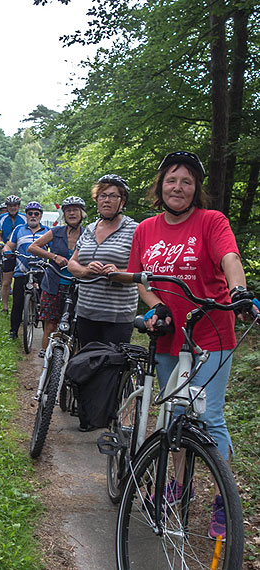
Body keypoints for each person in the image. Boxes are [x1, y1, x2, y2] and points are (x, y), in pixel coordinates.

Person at [127, 151, 254, 539]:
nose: (177, 187)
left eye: (186, 181)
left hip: (211, 333)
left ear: (196, 188)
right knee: (176, 415)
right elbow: (140, 280)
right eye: (171, 180)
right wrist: (157, 306)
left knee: (209, 416)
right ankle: (179, 485)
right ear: (160, 186)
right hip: (169, 336)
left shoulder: (211, 221)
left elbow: (229, 256)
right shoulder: (146, 229)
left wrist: (239, 291)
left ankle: (223, 500)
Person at [67, 174, 138, 345]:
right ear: (97, 200)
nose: (107, 200)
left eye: (113, 196)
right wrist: (85, 270)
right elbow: (72, 263)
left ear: (123, 201)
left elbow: (143, 272)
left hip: (117, 315)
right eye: (102, 196)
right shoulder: (90, 229)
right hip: (86, 311)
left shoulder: (135, 230)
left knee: (112, 366)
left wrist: (118, 272)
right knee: (87, 363)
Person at [28, 196, 86, 357]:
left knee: (74, 327)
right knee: (50, 324)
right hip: (53, 283)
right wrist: (53, 257)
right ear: (64, 214)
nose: (72, 213)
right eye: (68, 210)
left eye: (75, 210)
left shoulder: (89, 234)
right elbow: (33, 248)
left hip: (77, 286)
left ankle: (71, 362)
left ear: (82, 213)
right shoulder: (56, 232)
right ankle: (46, 358)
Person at [2, 202, 48, 339]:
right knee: (17, 302)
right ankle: (14, 331)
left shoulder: (47, 231)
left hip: (40, 270)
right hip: (22, 270)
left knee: (45, 302)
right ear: (26, 215)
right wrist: (7, 251)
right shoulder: (18, 229)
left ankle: (46, 333)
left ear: (40, 216)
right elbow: (9, 245)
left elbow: (54, 248)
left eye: (36, 214)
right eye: (30, 213)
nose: (33, 216)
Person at [0, 195, 26, 311]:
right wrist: (1, 242)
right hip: (8, 252)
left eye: (15, 206)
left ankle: (24, 303)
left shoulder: (24, 218)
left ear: (18, 206)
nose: (13, 208)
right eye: (10, 206)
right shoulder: (2, 218)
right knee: (7, 281)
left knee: (23, 280)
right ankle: (5, 306)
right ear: (7, 207)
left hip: (21, 252)